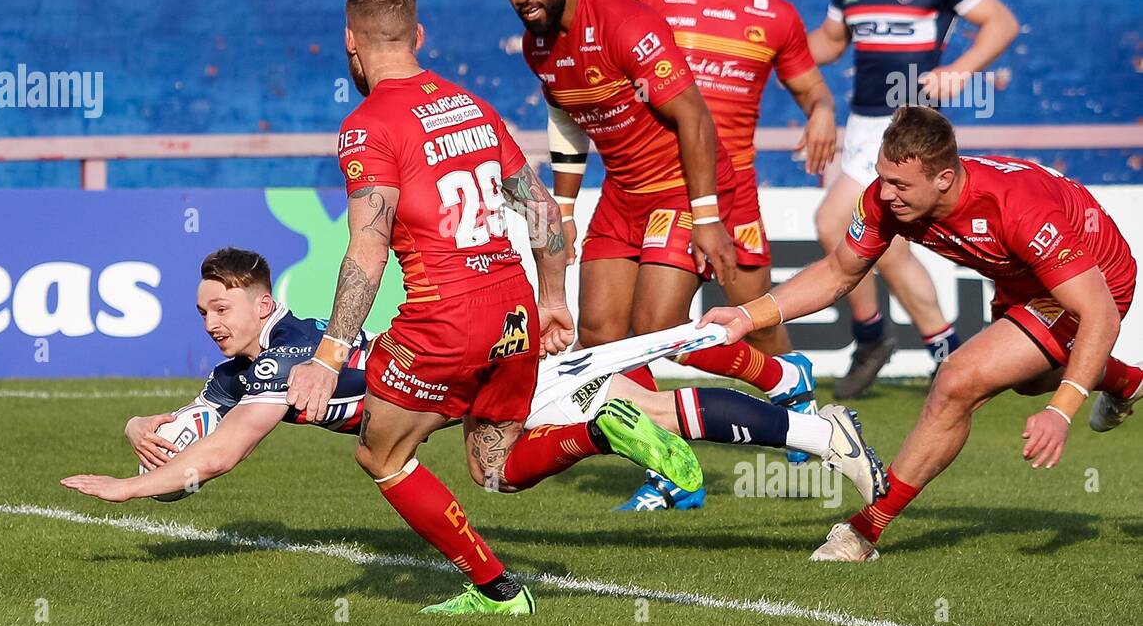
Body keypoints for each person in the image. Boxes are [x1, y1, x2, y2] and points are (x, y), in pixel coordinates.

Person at [60, 248, 888, 522]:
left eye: (223, 306)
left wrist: (134, 490)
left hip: (452, 376)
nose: (210, 320)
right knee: (637, 396)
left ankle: (786, 396)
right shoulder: (237, 368)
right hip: (457, 384)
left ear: (264, 301)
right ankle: (819, 431)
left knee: (518, 459)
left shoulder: (281, 359)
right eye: (203, 310)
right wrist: (146, 425)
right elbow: (193, 437)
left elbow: (221, 455)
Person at [699, 106, 1142, 562]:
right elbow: (837, 273)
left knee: (957, 381)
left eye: (900, 185)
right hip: (1022, 281)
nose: (885, 194)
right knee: (1026, 379)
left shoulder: (1016, 207)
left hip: (1095, 282)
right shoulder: (887, 199)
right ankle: (1123, 380)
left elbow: (1100, 314)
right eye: (882, 177)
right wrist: (748, 317)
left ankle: (863, 532)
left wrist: (1063, 410)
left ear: (945, 179)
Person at [503, 0, 820, 511]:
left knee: (656, 332)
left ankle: (771, 383)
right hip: (623, 195)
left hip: (681, 188)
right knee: (600, 337)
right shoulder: (538, 46)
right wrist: (566, 210)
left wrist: (706, 217)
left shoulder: (626, 22)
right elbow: (569, 123)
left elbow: (694, 118)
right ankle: (680, 454)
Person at [808, 0, 1020, 398]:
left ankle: (871, 335)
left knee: (835, 220)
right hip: (861, 126)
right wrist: (770, 45)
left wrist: (962, 69)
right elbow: (829, 43)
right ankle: (943, 348)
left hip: (906, 125)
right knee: (888, 248)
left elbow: (1001, 23)